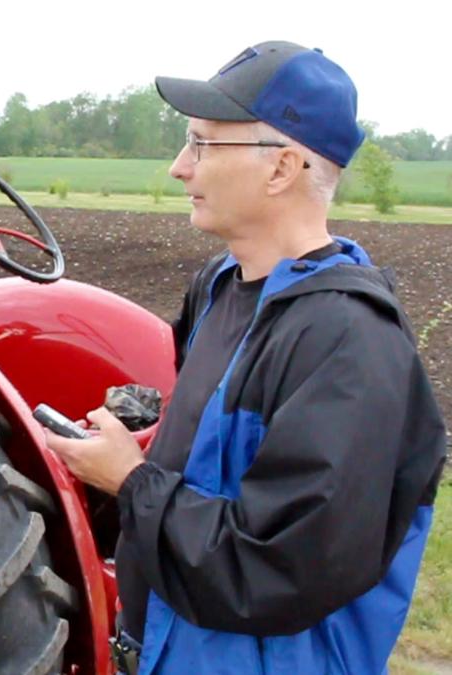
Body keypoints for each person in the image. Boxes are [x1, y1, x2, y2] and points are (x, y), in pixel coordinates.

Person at [45, 40, 447, 674]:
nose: (180, 166)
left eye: (203, 143)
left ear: (281, 168)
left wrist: (131, 481)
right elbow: (209, 457)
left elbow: (275, 567)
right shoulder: (220, 285)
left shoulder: (347, 340)